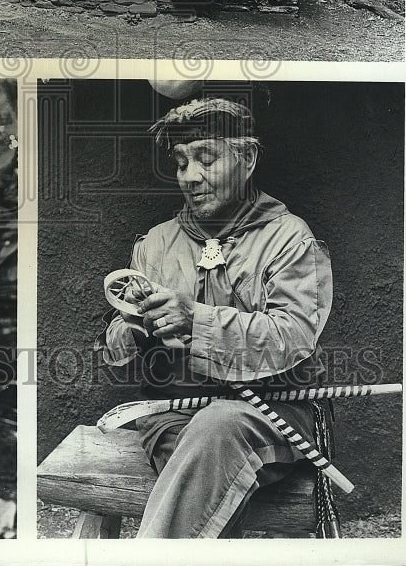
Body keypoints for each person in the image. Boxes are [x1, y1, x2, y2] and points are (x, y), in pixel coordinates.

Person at [101, 96, 334, 539]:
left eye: (206, 159)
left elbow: (293, 335)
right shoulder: (156, 243)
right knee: (201, 463)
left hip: (272, 415)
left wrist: (196, 321)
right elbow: (117, 351)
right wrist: (133, 328)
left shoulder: (290, 239)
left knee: (219, 427)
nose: (190, 177)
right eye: (181, 162)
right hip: (172, 415)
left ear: (246, 159)